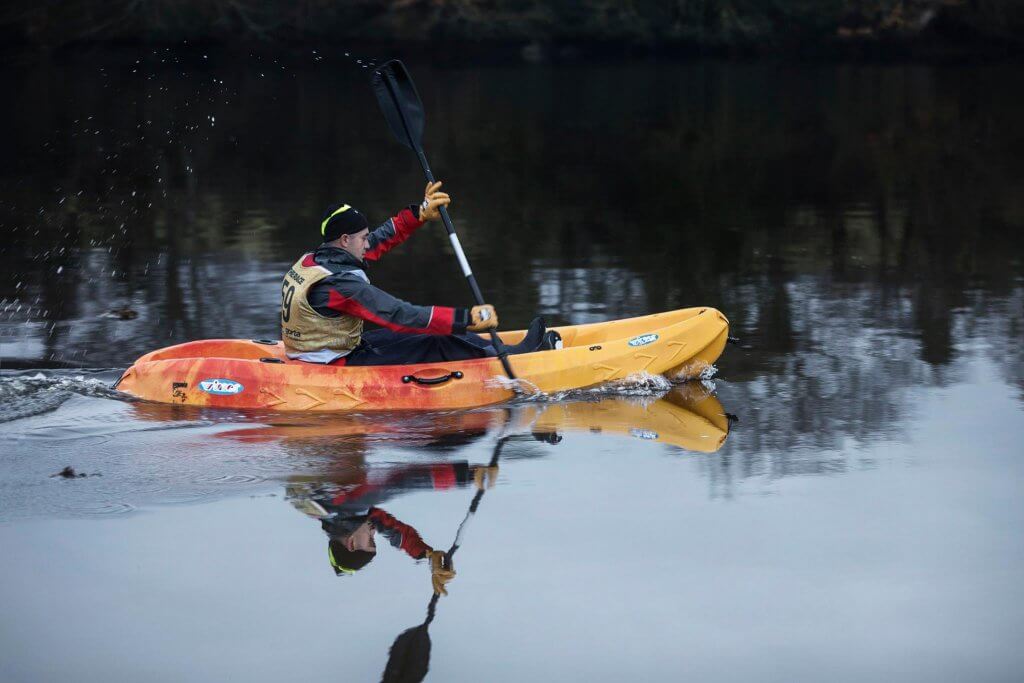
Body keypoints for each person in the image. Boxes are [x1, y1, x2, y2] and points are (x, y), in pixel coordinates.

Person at [281, 182, 556, 365]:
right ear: (344, 239)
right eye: (362, 237)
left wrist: (419, 214)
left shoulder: (315, 259)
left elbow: (378, 241)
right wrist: (465, 318)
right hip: (334, 363)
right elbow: (398, 315)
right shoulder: (340, 286)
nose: (367, 243)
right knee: (437, 342)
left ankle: (498, 348)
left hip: (330, 349)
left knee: (441, 334)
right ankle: (514, 360)